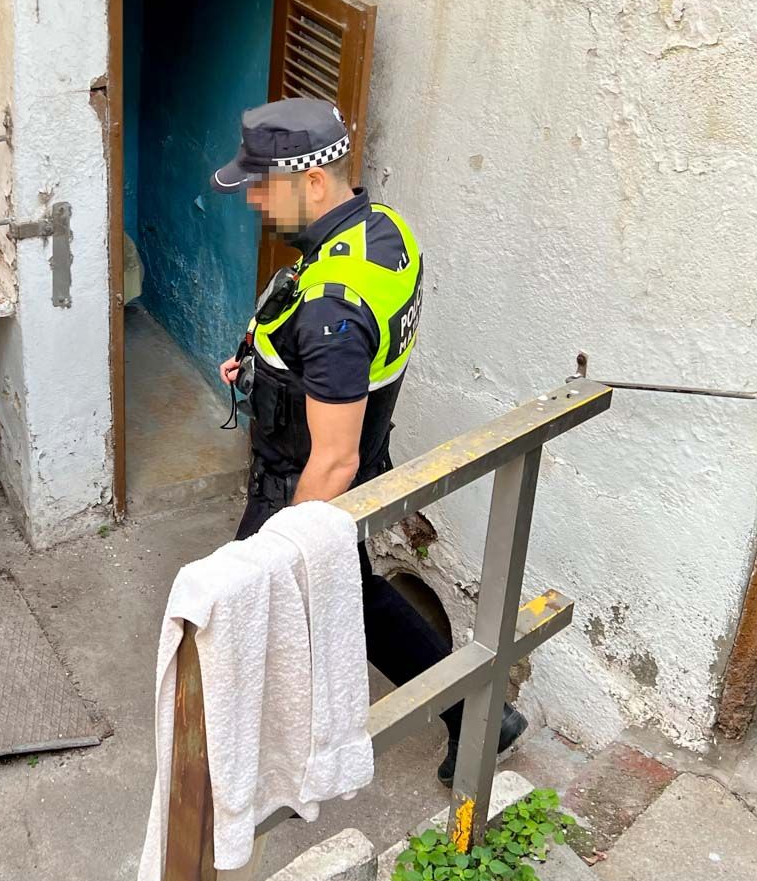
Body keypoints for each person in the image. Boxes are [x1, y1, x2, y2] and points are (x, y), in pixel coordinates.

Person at [211, 97, 527, 785]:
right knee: (352, 594)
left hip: (303, 484)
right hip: (352, 467)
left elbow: (334, 454)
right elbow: (314, 321)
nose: (256, 201)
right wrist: (258, 354)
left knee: (246, 605)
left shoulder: (333, 311)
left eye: (265, 185)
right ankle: (480, 713)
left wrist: (284, 543)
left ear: (314, 182)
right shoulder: (382, 230)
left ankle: (251, 770)